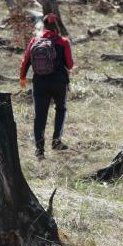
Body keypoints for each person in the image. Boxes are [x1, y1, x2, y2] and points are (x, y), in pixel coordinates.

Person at [19, 13, 74, 159]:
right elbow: (69, 64)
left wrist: (23, 78)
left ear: (44, 26)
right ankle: (56, 141)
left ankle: (39, 150)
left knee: (40, 116)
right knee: (61, 109)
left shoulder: (34, 41)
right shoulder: (63, 42)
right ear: (57, 27)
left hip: (40, 82)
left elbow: (25, 62)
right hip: (59, 82)